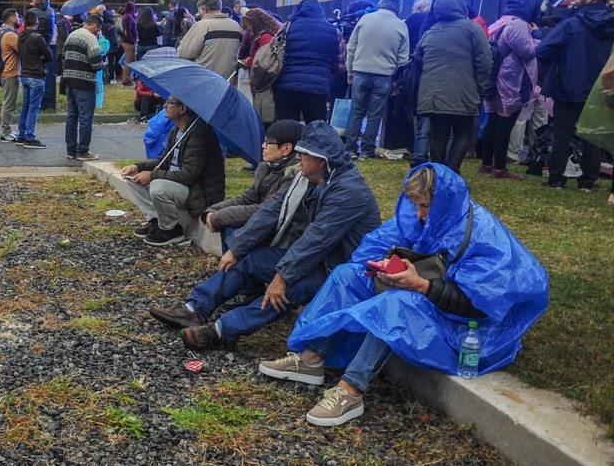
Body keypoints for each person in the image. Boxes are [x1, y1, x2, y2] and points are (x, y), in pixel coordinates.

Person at [261, 165, 549, 427]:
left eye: (425, 207)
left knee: (395, 304)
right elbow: (375, 247)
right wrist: (379, 269)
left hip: (473, 327)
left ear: (444, 203)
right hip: (429, 289)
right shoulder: (420, 214)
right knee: (347, 276)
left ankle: (351, 391)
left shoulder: (481, 236)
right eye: (415, 205)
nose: (419, 213)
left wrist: (420, 285)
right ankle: (311, 359)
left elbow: (478, 306)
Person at [149, 121, 381, 350]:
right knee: (248, 260)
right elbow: (272, 210)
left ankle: (221, 331)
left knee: (285, 291)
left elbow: (316, 240)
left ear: (321, 160)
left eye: (303, 153)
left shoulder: (348, 192)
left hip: (336, 268)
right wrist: (237, 249)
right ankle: (194, 310)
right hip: (316, 258)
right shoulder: (316, 178)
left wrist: (282, 277)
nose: (298, 158)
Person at [536, 0, 614, 191]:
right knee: (593, 135)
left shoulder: (571, 25)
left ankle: (556, 179)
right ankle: (588, 181)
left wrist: (559, 65)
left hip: (568, 87)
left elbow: (543, 50)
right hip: (601, 91)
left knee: (562, 134)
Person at [120, 95, 225, 247]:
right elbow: (163, 162)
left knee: (158, 187)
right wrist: (138, 167)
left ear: (183, 109)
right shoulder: (177, 130)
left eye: (169, 103)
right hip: (181, 185)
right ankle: (157, 220)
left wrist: (152, 175)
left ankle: (172, 230)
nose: (164, 106)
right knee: (134, 179)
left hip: (199, 192)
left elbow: (188, 175)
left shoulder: (200, 134)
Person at [415, 0, 492, 175]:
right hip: (463, 91)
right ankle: (452, 172)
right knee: (462, 134)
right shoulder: (472, 28)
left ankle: (438, 174)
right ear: (461, 6)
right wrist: (479, 85)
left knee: (438, 136)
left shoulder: (430, 31)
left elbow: (418, 57)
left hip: (431, 94)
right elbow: (484, 60)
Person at [479, 0, 545, 179]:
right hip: (510, 81)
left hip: (497, 78)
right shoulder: (518, 25)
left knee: (493, 120)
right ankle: (499, 168)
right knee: (504, 123)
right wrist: (538, 34)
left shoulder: (501, 22)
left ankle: (487, 164)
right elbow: (529, 51)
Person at [202, 120, 302, 244]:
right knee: (229, 226)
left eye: (268, 142)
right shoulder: (267, 167)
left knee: (231, 229)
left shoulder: (294, 176)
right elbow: (248, 197)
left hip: (278, 235)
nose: (263, 146)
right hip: (262, 226)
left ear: (286, 148)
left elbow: (265, 210)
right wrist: (213, 210)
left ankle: (237, 260)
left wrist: (219, 216)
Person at [342, 0, 411, 159]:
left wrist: (350, 71)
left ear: (380, 4)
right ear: (399, 8)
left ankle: (350, 149)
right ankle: (367, 150)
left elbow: (351, 48)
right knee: (375, 115)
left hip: (360, 72)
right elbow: (403, 59)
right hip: (384, 75)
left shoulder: (365, 20)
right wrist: (395, 80)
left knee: (357, 111)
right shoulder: (401, 26)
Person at [271, 0, 340, 122]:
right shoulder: (333, 30)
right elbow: (336, 63)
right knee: (316, 129)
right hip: (316, 88)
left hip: (286, 86)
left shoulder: (287, 27)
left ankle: (288, 142)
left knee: (287, 129)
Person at [62, 13, 105, 161]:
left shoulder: (71, 35)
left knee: (72, 116)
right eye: (98, 29)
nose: (98, 32)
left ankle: (71, 150)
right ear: (96, 26)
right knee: (86, 118)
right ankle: (83, 151)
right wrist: (102, 64)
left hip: (69, 81)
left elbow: (64, 56)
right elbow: (96, 63)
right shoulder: (91, 38)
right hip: (85, 82)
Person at [178, 0, 243, 80]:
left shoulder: (202, 26)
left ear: (204, 10)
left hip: (204, 80)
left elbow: (184, 53)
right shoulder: (236, 26)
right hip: (227, 81)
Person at [15, 10, 53, 149]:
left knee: (25, 106)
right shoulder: (37, 37)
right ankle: (30, 138)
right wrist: (41, 57)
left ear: (24, 22)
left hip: (24, 74)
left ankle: (21, 135)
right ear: (37, 22)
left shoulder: (20, 36)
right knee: (34, 108)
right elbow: (49, 56)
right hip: (36, 75)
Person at [240, 8, 284, 127]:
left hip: (266, 88)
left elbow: (265, 62)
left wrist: (249, 61)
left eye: (247, 28)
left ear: (254, 23)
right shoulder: (270, 34)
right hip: (270, 87)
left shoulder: (264, 37)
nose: (248, 32)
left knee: (265, 123)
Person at [0, 9, 22, 142]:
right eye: (17, 17)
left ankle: (7, 130)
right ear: (12, 19)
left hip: (7, 72)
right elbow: (22, 50)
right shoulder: (11, 35)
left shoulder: (5, 33)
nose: (19, 19)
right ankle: (5, 131)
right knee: (9, 104)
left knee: (9, 102)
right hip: (10, 72)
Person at [30, 0, 59, 110]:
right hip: (49, 45)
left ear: (35, 1)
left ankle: (37, 104)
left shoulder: (33, 12)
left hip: (35, 46)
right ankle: (49, 104)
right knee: (48, 75)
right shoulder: (51, 11)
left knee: (35, 77)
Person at [120, 1, 138, 86]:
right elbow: (127, 30)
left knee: (132, 60)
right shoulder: (129, 17)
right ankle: (125, 80)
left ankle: (128, 78)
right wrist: (132, 40)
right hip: (129, 42)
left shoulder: (125, 16)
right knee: (129, 61)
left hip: (128, 41)